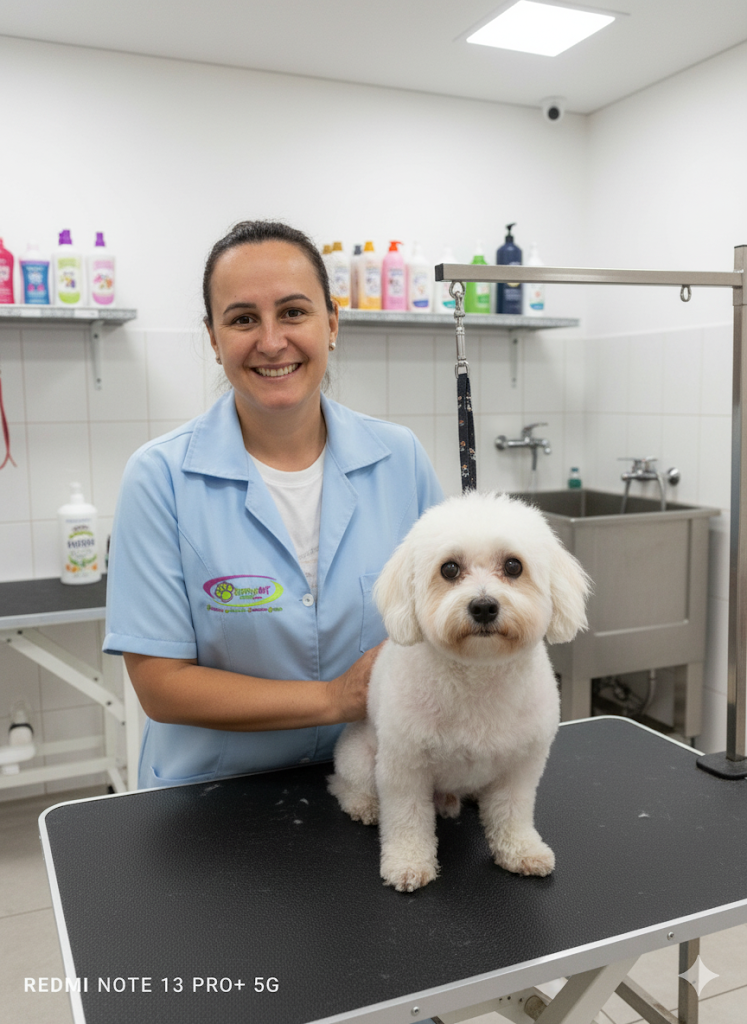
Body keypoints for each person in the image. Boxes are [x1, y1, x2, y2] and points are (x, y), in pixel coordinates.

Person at [104, 221, 444, 789]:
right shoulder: (159, 477)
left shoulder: (399, 459)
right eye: (242, 319)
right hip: (213, 801)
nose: (270, 340)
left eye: (293, 312)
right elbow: (160, 685)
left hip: (376, 782)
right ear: (213, 338)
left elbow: (444, 613)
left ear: (331, 323)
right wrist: (334, 698)